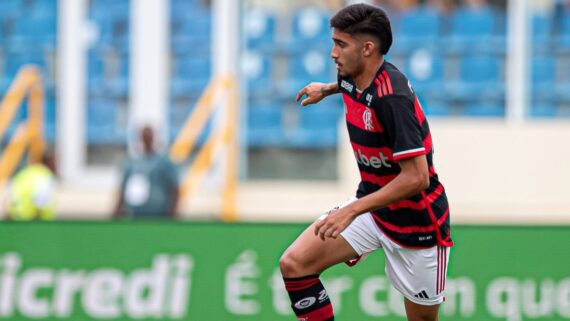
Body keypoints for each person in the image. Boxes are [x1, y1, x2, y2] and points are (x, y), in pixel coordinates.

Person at [279, 4, 453, 321]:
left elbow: (417, 178)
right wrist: (326, 89)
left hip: (417, 225)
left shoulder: (393, 99)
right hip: (373, 209)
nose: (333, 53)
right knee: (294, 264)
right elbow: (351, 87)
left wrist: (351, 211)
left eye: (340, 44)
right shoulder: (352, 75)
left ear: (367, 48)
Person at [113, 125, 179, 219]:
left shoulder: (164, 162)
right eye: (144, 136)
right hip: (136, 215)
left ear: (154, 138)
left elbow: (174, 188)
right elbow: (123, 189)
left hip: (160, 215)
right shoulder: (132, 162)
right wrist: (117, 211)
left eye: (149, 136)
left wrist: (173, 212)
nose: (147, 139)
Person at [6, 149, 57, 220]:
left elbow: (10, 197)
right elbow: (40, 200)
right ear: (48, 162)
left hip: (17, 221)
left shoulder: (24, 174)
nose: (56, 165)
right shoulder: (44, 175)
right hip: (33, 222)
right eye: (54, 161)